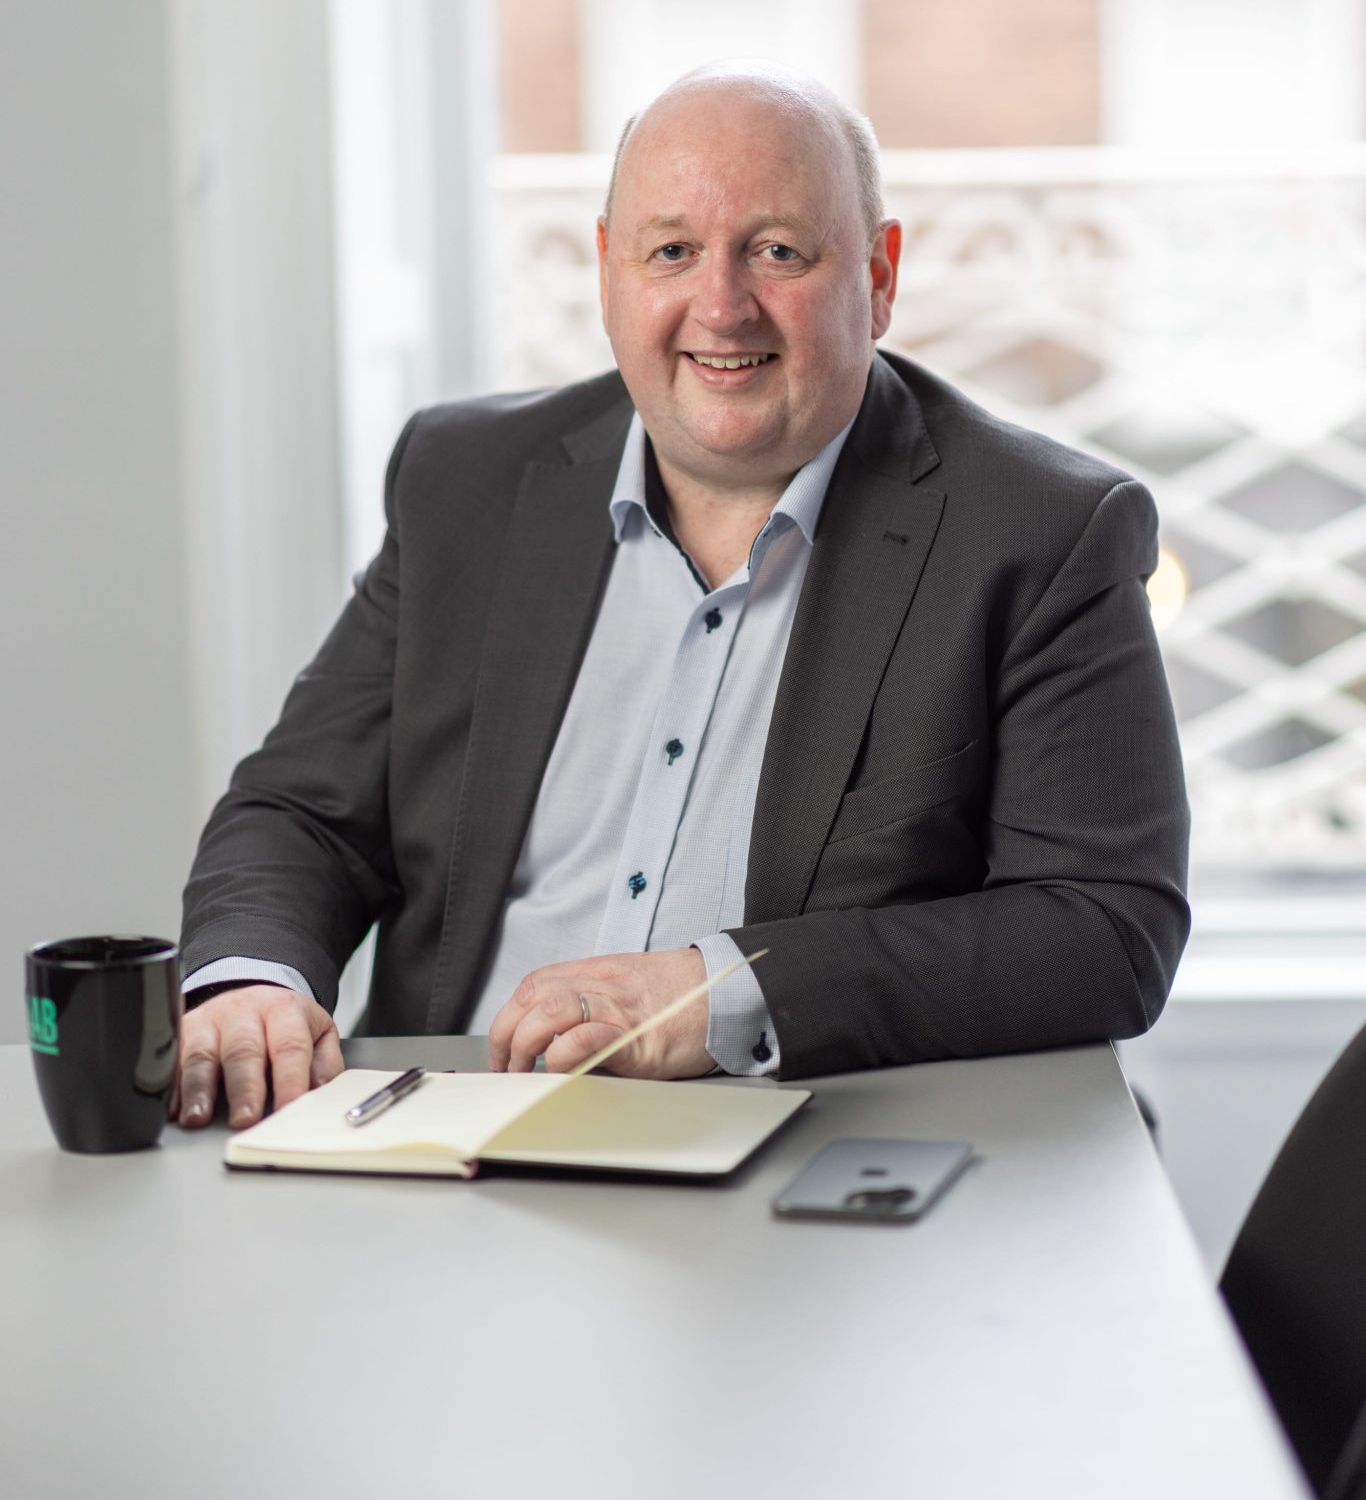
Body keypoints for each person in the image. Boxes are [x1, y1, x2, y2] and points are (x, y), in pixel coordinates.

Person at [176, 61, 1189, 1131]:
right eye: (671, 251)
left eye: (778, 251)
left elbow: (1103, 926)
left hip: (802, 1156)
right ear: (608, 269)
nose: (721, 305)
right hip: (445, 1145)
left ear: (879, 277)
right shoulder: (465, 480)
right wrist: (254, 981)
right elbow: (303, 811)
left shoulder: (1035, 532)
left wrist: (724, 989)